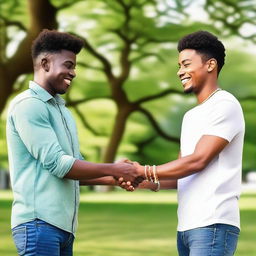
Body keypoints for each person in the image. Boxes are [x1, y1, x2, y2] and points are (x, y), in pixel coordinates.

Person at [6, 29, 144, 256]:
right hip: (38, 224)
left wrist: (115, 178)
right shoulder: (29, 105)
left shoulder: (62, 111)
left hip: (62, 229)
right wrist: (115, 168)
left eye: (74, 66)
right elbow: (60, 165)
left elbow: (75, 167)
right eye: (68, 65)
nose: (73, 72)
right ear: (45, 63)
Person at [120, 31, 245, 256]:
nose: (180, 72)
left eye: (186, 64)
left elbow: (198, 161)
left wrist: (144, 170)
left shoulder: (225, 105)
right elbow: (182, 174)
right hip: (186, 228)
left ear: (210, 65)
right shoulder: (191, 116)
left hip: (213, 224)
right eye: (179, 66)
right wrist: (145, 181)